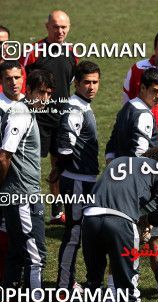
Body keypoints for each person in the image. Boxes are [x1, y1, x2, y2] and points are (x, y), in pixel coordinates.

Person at [0, 67, 70, 302]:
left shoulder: (15, 111)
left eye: (49, 93)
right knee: (35, 258)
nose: (45, 98)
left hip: (16, 196)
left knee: (15, 257)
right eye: (41, 92)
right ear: (29, 91)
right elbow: (4, 156)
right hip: (23, 199)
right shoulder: (20, 114)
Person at [82, 147, 158, 302]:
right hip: (120, 224)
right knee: (128, 291)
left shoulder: (120, 160)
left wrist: (141, 215)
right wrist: (147, 221)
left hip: (90, 218)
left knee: (93, 285)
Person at [106, 68, 158, 302]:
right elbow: (140, 157)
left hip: (122, 189)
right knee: (151, 242)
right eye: (155, 91)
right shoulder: (144, 115)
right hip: (141, 194)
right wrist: (147, 197)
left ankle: (113, 301)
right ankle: (157, 300)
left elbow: (112, 147)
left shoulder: (126, 109)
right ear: (143, 89)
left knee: (129, 245)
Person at [20, 10, 78, 225]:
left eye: (63, 27)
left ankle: (56, 211)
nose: (60, 31)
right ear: (47, 27)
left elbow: (68, 82)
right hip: (37, 119)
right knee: (30, 164)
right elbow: (20, 80)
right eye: (55, 26)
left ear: (69, 28)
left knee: (59, 164)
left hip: (61, 119)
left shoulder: (72, 53)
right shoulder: (34, 52)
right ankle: (26, 206)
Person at [50, 61, 100, 295]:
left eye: (95, 82)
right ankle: (64, 286)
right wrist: (63, 169)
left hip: (82, 179)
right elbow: (65, 148)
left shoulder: (82, 105)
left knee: (79, 232)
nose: (91, 87)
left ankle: (68, 282)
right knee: (74, 233)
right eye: (87, 83)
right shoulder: (75, 109)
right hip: (78, 181)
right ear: (76, 84)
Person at [0, 60, 26, 288]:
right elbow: (3, 156)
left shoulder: (25, 103)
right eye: (8, 78)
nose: (14, 82)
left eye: (17, 77)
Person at [0, 26, 26, 94]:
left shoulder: (17, 68)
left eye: (5, 43)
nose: (2, 46)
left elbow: (21, 96)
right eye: (0, 43)